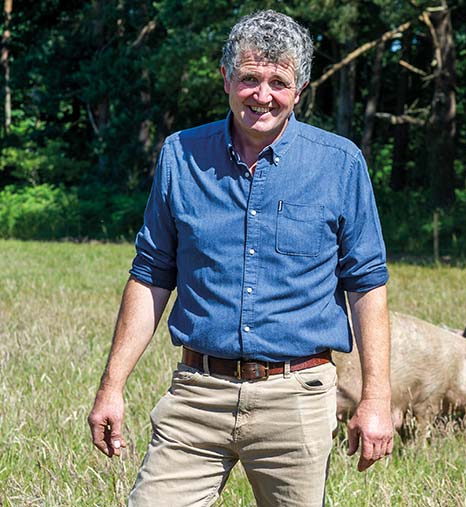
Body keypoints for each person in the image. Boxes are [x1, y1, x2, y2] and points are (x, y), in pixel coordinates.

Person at [87, 10, 393, 507]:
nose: (262, 95)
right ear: (226, 78)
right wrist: (111, 387)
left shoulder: (339, 164)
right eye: (249, 78)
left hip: (297, 397)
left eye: (278, 81)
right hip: (197, 393)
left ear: (301, 89)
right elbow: (150, 276)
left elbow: (367, 285)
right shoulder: (180, 155)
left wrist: (376, 400)